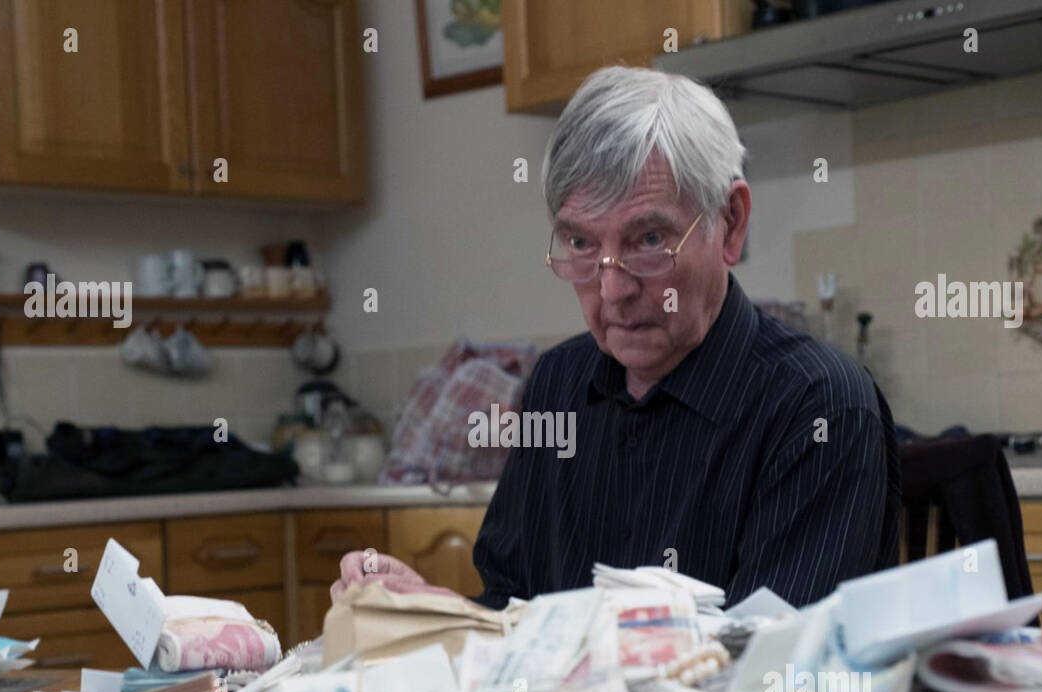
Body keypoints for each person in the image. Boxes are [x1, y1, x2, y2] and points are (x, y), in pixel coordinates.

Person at [331, 66, 899, 610]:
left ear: (730, 221)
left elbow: (771, 671)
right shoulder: (557, 384)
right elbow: (512, 613)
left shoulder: (819, 406)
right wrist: (435, 611)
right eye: (581, 245)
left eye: (649, 238)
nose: (612, 290)